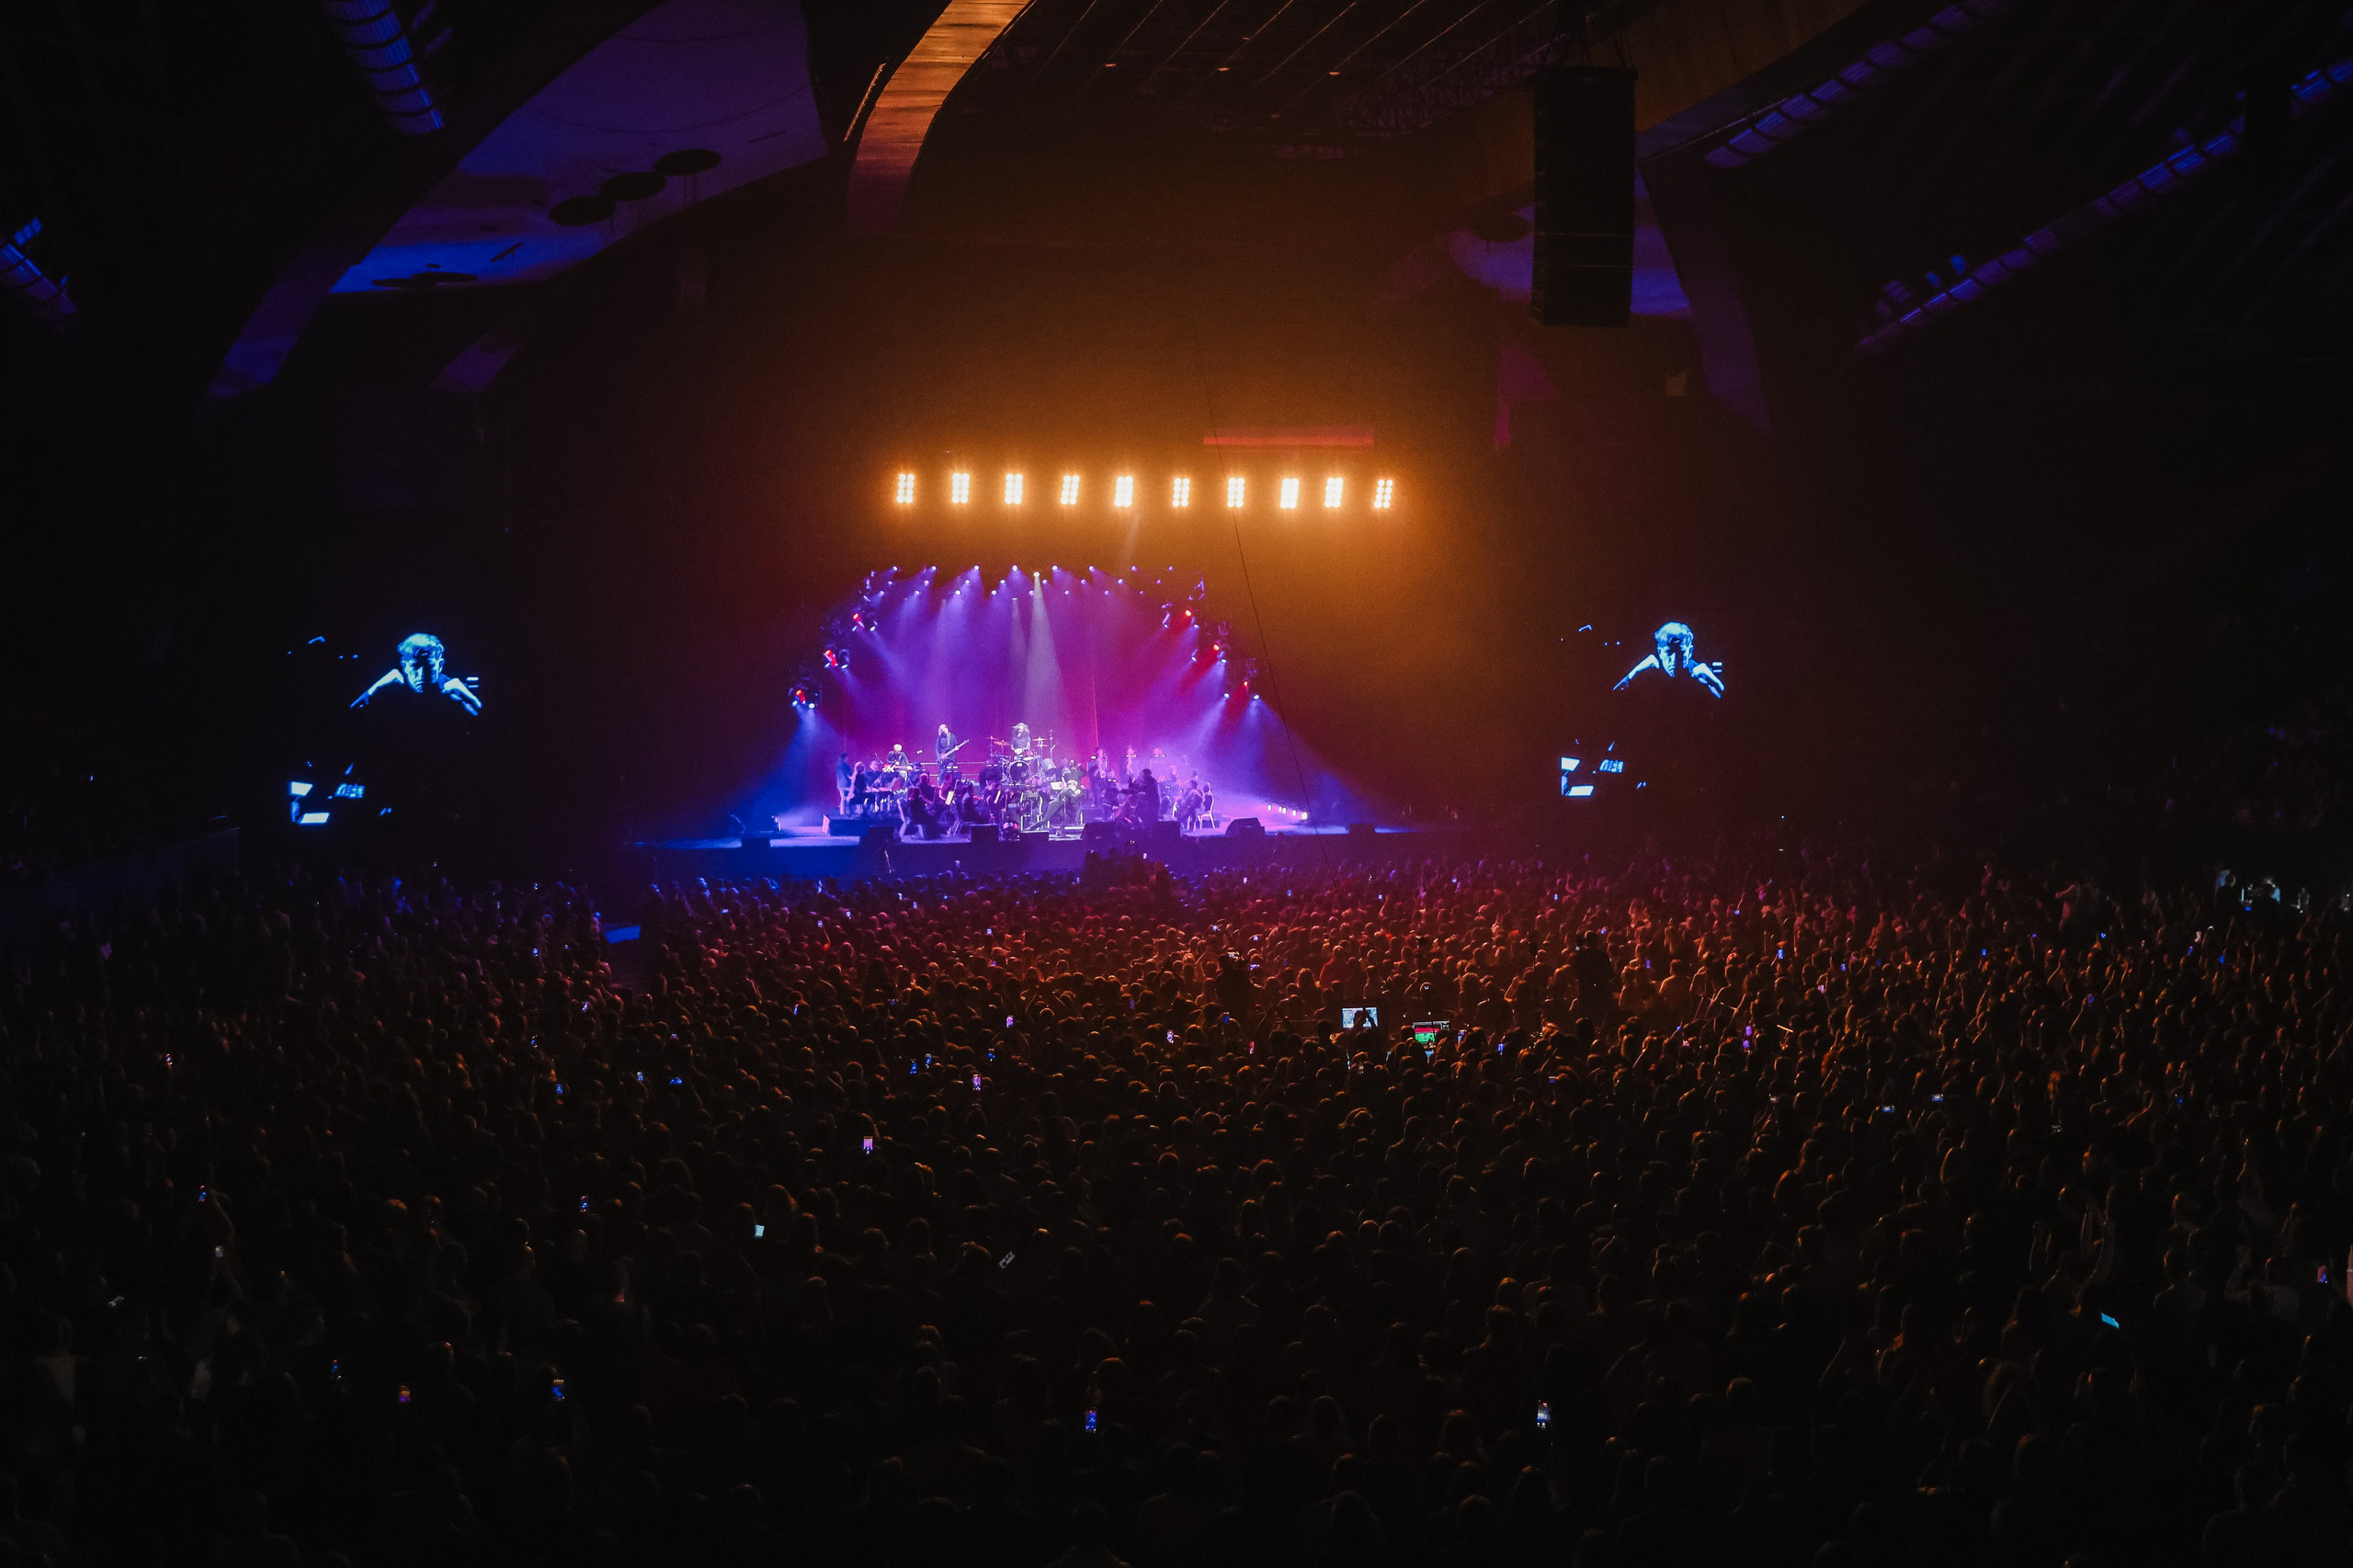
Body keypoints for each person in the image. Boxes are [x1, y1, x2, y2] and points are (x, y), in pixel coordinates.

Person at [351, 631, 483, 714]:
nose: (422, 674)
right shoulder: (393, 691)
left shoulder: (452, 691)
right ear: (405, 667)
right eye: (415, 666)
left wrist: (472, 701)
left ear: (440, 666)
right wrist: (374, 689)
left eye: (429, 666)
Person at [1613, 620, 1724, 697]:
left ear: (1690, 652)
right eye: (1669, 652)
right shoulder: (1655, 667)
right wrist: (1629, 677)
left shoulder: (1697, 672)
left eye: (1680, 653)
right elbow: (1651, 660)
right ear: (1660, 652)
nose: (1675, 660)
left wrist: (1716, 685)